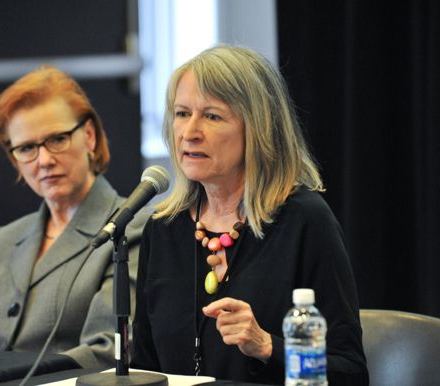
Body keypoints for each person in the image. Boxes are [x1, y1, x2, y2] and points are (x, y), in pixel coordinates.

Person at [131, 45, 369, 385]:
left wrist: (266, 345)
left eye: (212, 116)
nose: (190, 131)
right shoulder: (163, 227)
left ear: (258, 128)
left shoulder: (304, 221)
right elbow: (146, 366)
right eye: (182, 113)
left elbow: (350, 373)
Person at [0, 66, 150, 369]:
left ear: (89, 136)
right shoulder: (2, 241)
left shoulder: (134, 227)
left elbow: (108, 350)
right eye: (26, 148)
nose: (44, 160)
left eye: (57, 139)